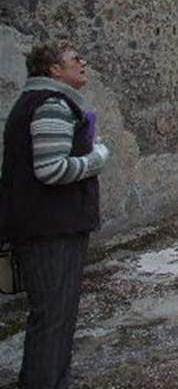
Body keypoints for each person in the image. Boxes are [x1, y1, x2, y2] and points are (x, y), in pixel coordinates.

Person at [0, 41, 111, 389]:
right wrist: (97, 157)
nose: (83, 62)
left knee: (56, 315)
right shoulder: (50, 104)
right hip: (50, 228)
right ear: (53, 69)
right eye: (74, 59)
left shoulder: (45, 102)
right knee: (53, 316)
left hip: (47, 226)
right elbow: (51, 169)